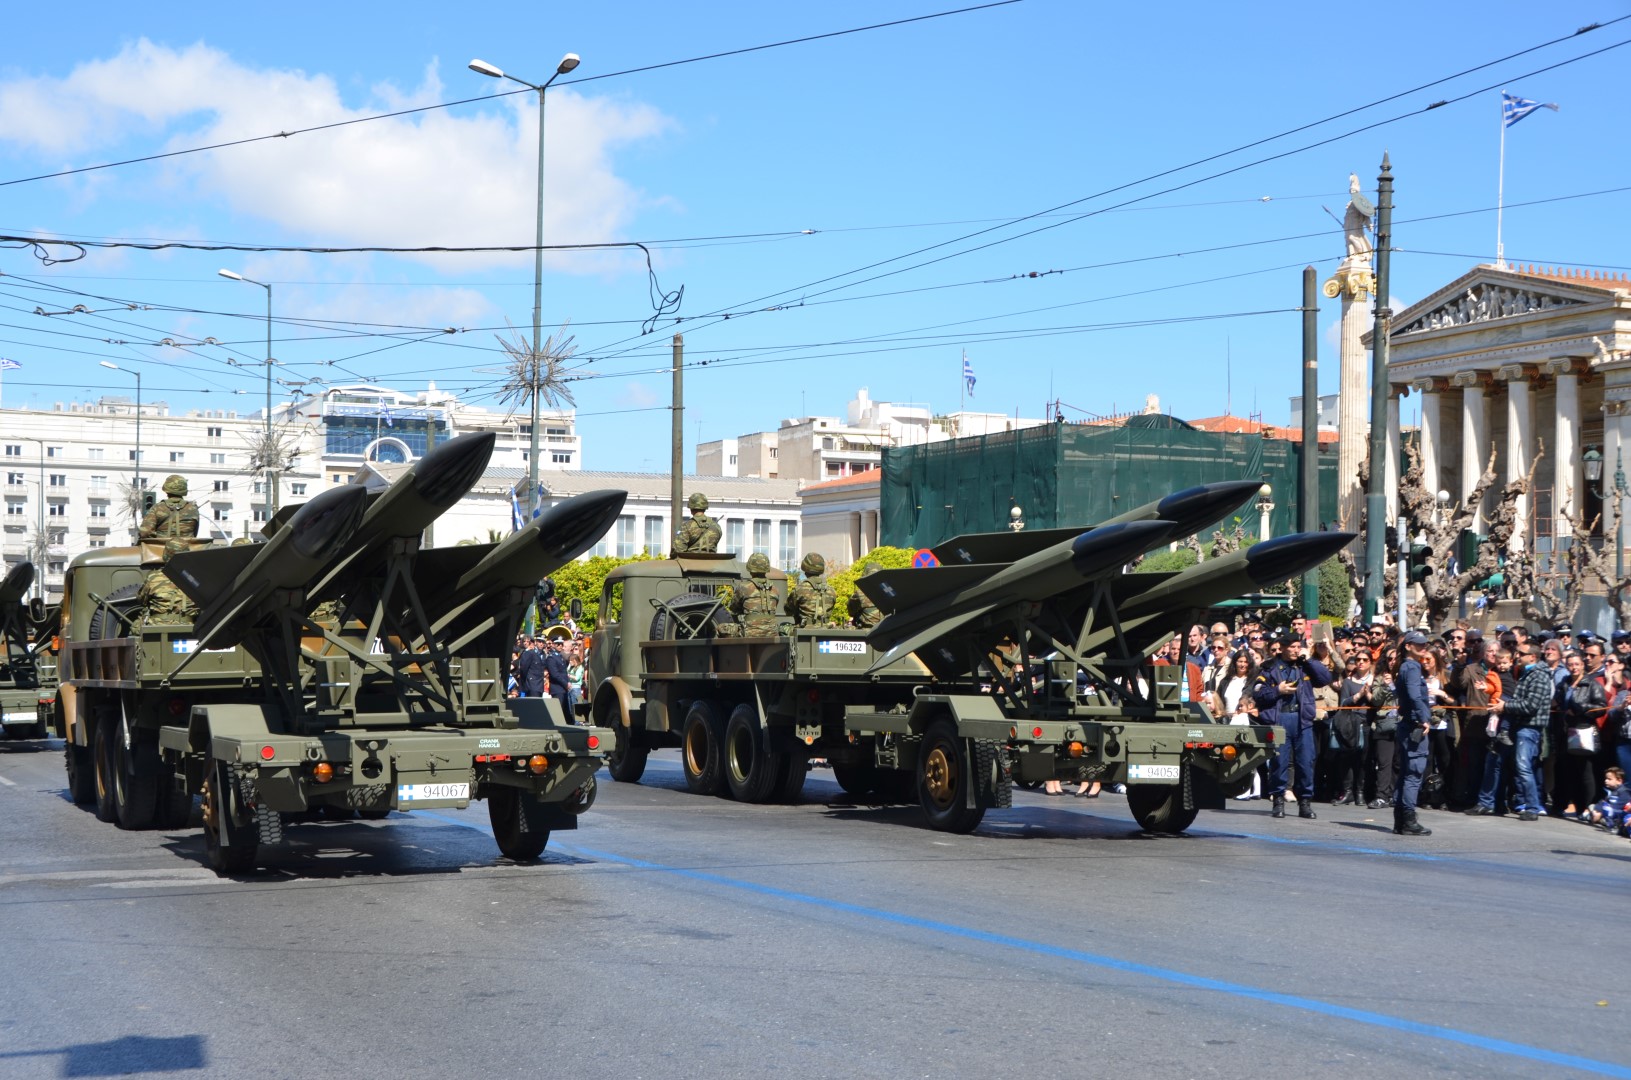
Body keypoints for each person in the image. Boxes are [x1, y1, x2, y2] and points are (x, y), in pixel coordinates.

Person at [1253, 630, 1333, 819]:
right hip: (1281, 719)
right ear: (1282, 648)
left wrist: (1310, 659)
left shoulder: (1304, 666)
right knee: (1279, 763)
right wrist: (1277, 690)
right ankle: (1278, 800)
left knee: (1306, 762)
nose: (1297, 650)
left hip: (1302, 718)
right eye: (1293, 647)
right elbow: (1258, 693)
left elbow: (1325, 679)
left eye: (1299, 646)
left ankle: (1305, 802)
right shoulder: (1270, 668)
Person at [1504, 642, 1556, 821]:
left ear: (1532, 657)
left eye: (1521, 653)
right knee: (1525, 767)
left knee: (1524, 767)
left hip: (1530, 728)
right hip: (1523, 727)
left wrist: (1506, 705)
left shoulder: (1539, 676)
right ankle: (1530, 804)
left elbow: (1530, 705)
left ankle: (1533, 807)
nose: (1517, 655)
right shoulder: (1529, 673)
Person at [1554, 649, 1607, 820]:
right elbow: (1558, 702)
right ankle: (1575, 804)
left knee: (1586, 771)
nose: (1573, 667)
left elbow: (1600, 707)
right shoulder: (1564, 682)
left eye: (1577, 664)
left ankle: (1589, 807)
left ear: (1583, 665)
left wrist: (1579, 709)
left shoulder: (1592, 684)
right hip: (1565, 731)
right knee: (1569, 770)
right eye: (1570, 664)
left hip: (1583, 730)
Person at [1392, 630, 1435, 836]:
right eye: (1418, 644)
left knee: (1406, 774)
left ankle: (1400, 820)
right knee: (1413, 774)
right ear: (1408, 646)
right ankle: (1408, 820)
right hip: (1413, 725)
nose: (1423, 647)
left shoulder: (1406, 666)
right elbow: (1414, 695)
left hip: (1407, 724)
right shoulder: (1412, 667)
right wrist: (1423, 718)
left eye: (1424, 644)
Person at [137, 539, 198, 623]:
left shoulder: (153, 577)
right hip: (189, 626)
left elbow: (142, 600)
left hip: (157, 627)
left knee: (136, 627)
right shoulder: (196, 578)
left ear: (166, 555)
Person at [730, 552, 781, 637]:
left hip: (749, 633)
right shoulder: (775, 589)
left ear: (750, 569)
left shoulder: (744, 587)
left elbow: (733, 608)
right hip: (772, 633)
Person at [139, 474, 200, 540]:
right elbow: (194, 532)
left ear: (166, 490)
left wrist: (159, 539)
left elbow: (145, 532)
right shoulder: (193, 509)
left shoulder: (157, 508)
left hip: (161, 548)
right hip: (188, 549)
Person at [787, 552, 836, 627]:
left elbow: (788, 609)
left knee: (783, 627)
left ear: (805, 567)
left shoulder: (800, 589)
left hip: (804, 630)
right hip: (826, 628)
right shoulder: (831, 590)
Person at [848, 561, 883, 628]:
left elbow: (851, 612)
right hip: (887, 630)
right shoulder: (889, 591)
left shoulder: (860, 593)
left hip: (867, 631)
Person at [542, 635, 571, 713]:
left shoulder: (561, 657)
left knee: (565, 710)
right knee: (558, 710)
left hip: (563, 688)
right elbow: (555, 674)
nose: (560, 646)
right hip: (557, 688)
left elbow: (564, 672)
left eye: (561, 644)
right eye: (558, 644)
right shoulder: (551, 658)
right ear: (554, 645)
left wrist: (567, 682)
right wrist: (565, 683)